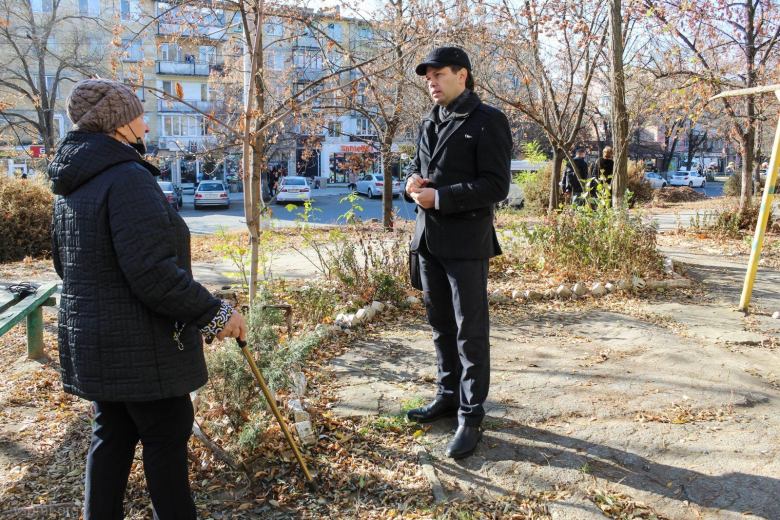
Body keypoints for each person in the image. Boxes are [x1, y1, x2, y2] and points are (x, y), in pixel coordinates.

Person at [47, 79, 247, 520]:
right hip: (141, 350)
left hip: (95, 345)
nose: (146, 120)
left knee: (112, 433)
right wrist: (216, 315)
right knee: (165, 437)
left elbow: (67, 266)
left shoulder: (74, 182)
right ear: (120, 125)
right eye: (139, 113)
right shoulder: (127, 177)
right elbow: (154, 274)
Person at [404, 47, 511, 459]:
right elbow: (418, 169)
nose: (431, 83)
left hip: (466, 244)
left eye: (439, 75)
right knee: (440, 326)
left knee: (470, 332)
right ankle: (448, 396)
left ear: (462, 76)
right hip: (428, 242)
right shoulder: (429, 120)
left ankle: (471, 415)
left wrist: (440, 198)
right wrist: (412, 183)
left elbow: (495, 186)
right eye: (428, 77)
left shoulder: (488, 121)